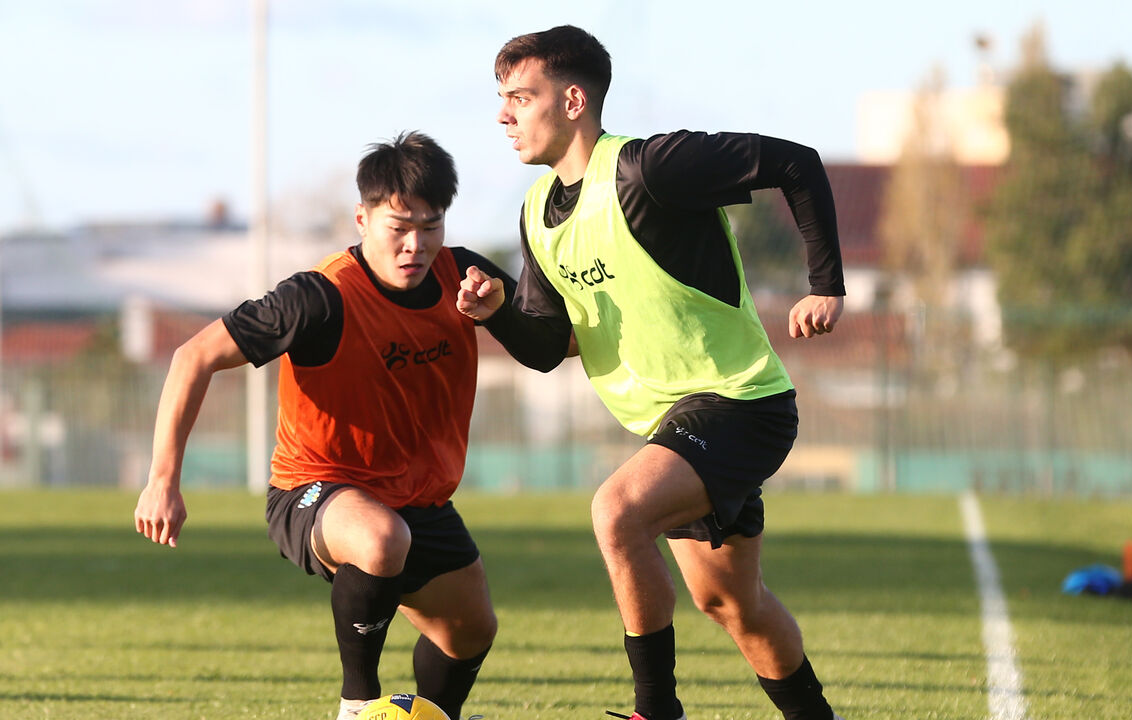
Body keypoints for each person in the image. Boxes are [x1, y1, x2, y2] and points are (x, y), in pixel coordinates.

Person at [456, 25, 846, 720]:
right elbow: (549, 346)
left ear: (573, 100)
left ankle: (655, 710)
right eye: (501, 98)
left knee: (616, 511)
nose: (503, 114)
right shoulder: (537, 217)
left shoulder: (649, 167)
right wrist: (495, 315)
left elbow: (797, 162)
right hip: (676, 427)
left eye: (521, 96)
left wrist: (826, 284)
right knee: (733, 605)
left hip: (740, 404)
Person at [135, 131, 511, 720]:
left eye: (431, 227)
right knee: (381, 538)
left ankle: (432, 716)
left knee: (469, 632)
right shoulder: (320, 296)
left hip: (419, 499)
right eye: (398, 228)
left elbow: (554, 340)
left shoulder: (463, 278)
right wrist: (163, 480)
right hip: (315, 489)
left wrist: (508, 308)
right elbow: (193, 356)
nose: (416, 245)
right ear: (362, 219)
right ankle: (355, 705)